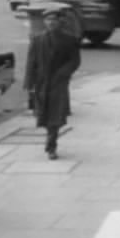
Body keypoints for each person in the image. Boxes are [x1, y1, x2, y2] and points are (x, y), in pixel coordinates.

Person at [24, 8, 81, 160]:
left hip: (58, 82)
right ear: (44, 22)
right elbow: (31, 63)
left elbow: (75, 60)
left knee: (56, 114)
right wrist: (29, 84)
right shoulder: (37, 40)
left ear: (59, 22)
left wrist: (63, 73)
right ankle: (50, 137)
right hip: (42, 82)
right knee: (43, 113)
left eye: (54, 20)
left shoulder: (69, 40)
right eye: (48, 20)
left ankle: (51, 145)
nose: (51, 23)